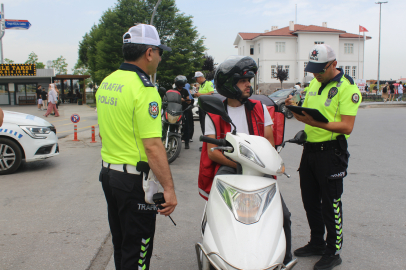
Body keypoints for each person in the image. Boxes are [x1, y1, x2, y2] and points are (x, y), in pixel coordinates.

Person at [198, 55, 295, 267]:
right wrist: (241, 164)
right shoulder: (214, 112)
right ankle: (212, 252)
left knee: (283, 216)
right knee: (218, 213)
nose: (247, 85)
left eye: (249, 81)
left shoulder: (259, 108)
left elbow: (269, 141)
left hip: (258, 170)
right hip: (229, 167)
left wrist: (256, 164)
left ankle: (284, 261)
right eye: (243, 81)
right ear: (229, 84)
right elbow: (212, 152)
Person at [96, 24, 177, 270]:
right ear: (149, 52)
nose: (160, 58)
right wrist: (169, 188)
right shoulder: (145, 89)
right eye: (160, 52)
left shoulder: (108, 82)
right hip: (132, 183)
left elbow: (103, 132)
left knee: (121, 245)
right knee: (138, 253)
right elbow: (152, 146)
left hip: (109, 175)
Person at [285, 44, 361, 270]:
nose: (315, 73)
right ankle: (317, 242)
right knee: (310, 202)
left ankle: (333, 250)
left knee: (331, 204)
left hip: (331, 153)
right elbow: (306, 117)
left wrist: (314, 122)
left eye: (320, 69)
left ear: (334, 64)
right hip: (310, 151)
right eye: (312, 69)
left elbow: (347, 126)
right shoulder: (314, 85)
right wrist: (295, 108)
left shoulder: (347, 87)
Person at [193, 71, 214, 150]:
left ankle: (208, 145)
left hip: (207, 108)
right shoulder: (201, 85)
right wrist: (197, 94)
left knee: (207, 126)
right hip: (201, 107)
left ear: (200, 77)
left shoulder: (208, 83)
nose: (196, 81)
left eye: (196, 79)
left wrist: (200, 94)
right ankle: (205, 144)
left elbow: (212, 93)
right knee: (203, 126)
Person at [174, 75, 192, 149]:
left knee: (186, 126)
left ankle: (187, 142)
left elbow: (188, 100)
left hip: (184, 110)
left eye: (182, 85)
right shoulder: (174, 91)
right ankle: (174, 142)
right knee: (174, 126)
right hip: (176, 110)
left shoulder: (185, 91)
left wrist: (186, 100)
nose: (181, 86)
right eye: (180, 85)